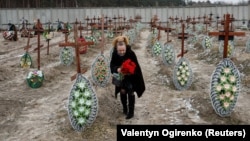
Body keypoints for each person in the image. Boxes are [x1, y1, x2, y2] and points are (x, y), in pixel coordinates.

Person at [110, 35, 145, 119]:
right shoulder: (114, 53)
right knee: (122, 91)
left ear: (126, 47)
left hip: (131, 77)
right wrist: (117, 69)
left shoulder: (131, 53)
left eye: (123, 50)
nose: (121, 52)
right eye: (120, 51)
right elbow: (112, 65)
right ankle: (125, 108)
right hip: (121, 77)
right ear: (116, 48)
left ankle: (131, 111)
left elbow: (136, 66)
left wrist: (130, 71)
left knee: (130, 91)